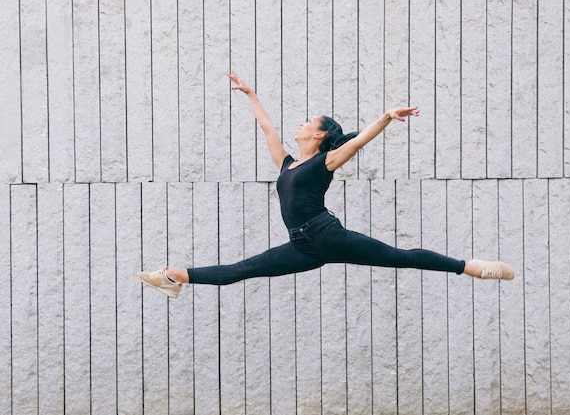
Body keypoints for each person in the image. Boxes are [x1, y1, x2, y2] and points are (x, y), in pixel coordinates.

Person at [137, 71, 514, 298]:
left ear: (319, 136)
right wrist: (251, 94)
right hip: (303, 246)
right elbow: (267, 128)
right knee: (241, 270)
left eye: (307, 121)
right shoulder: (287, 164)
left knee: (401, 257)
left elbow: (357, 141)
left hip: (327, 234)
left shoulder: (324, 162)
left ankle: (475, 268)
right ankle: (174, 277)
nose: (299, 124)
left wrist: (385, 116)